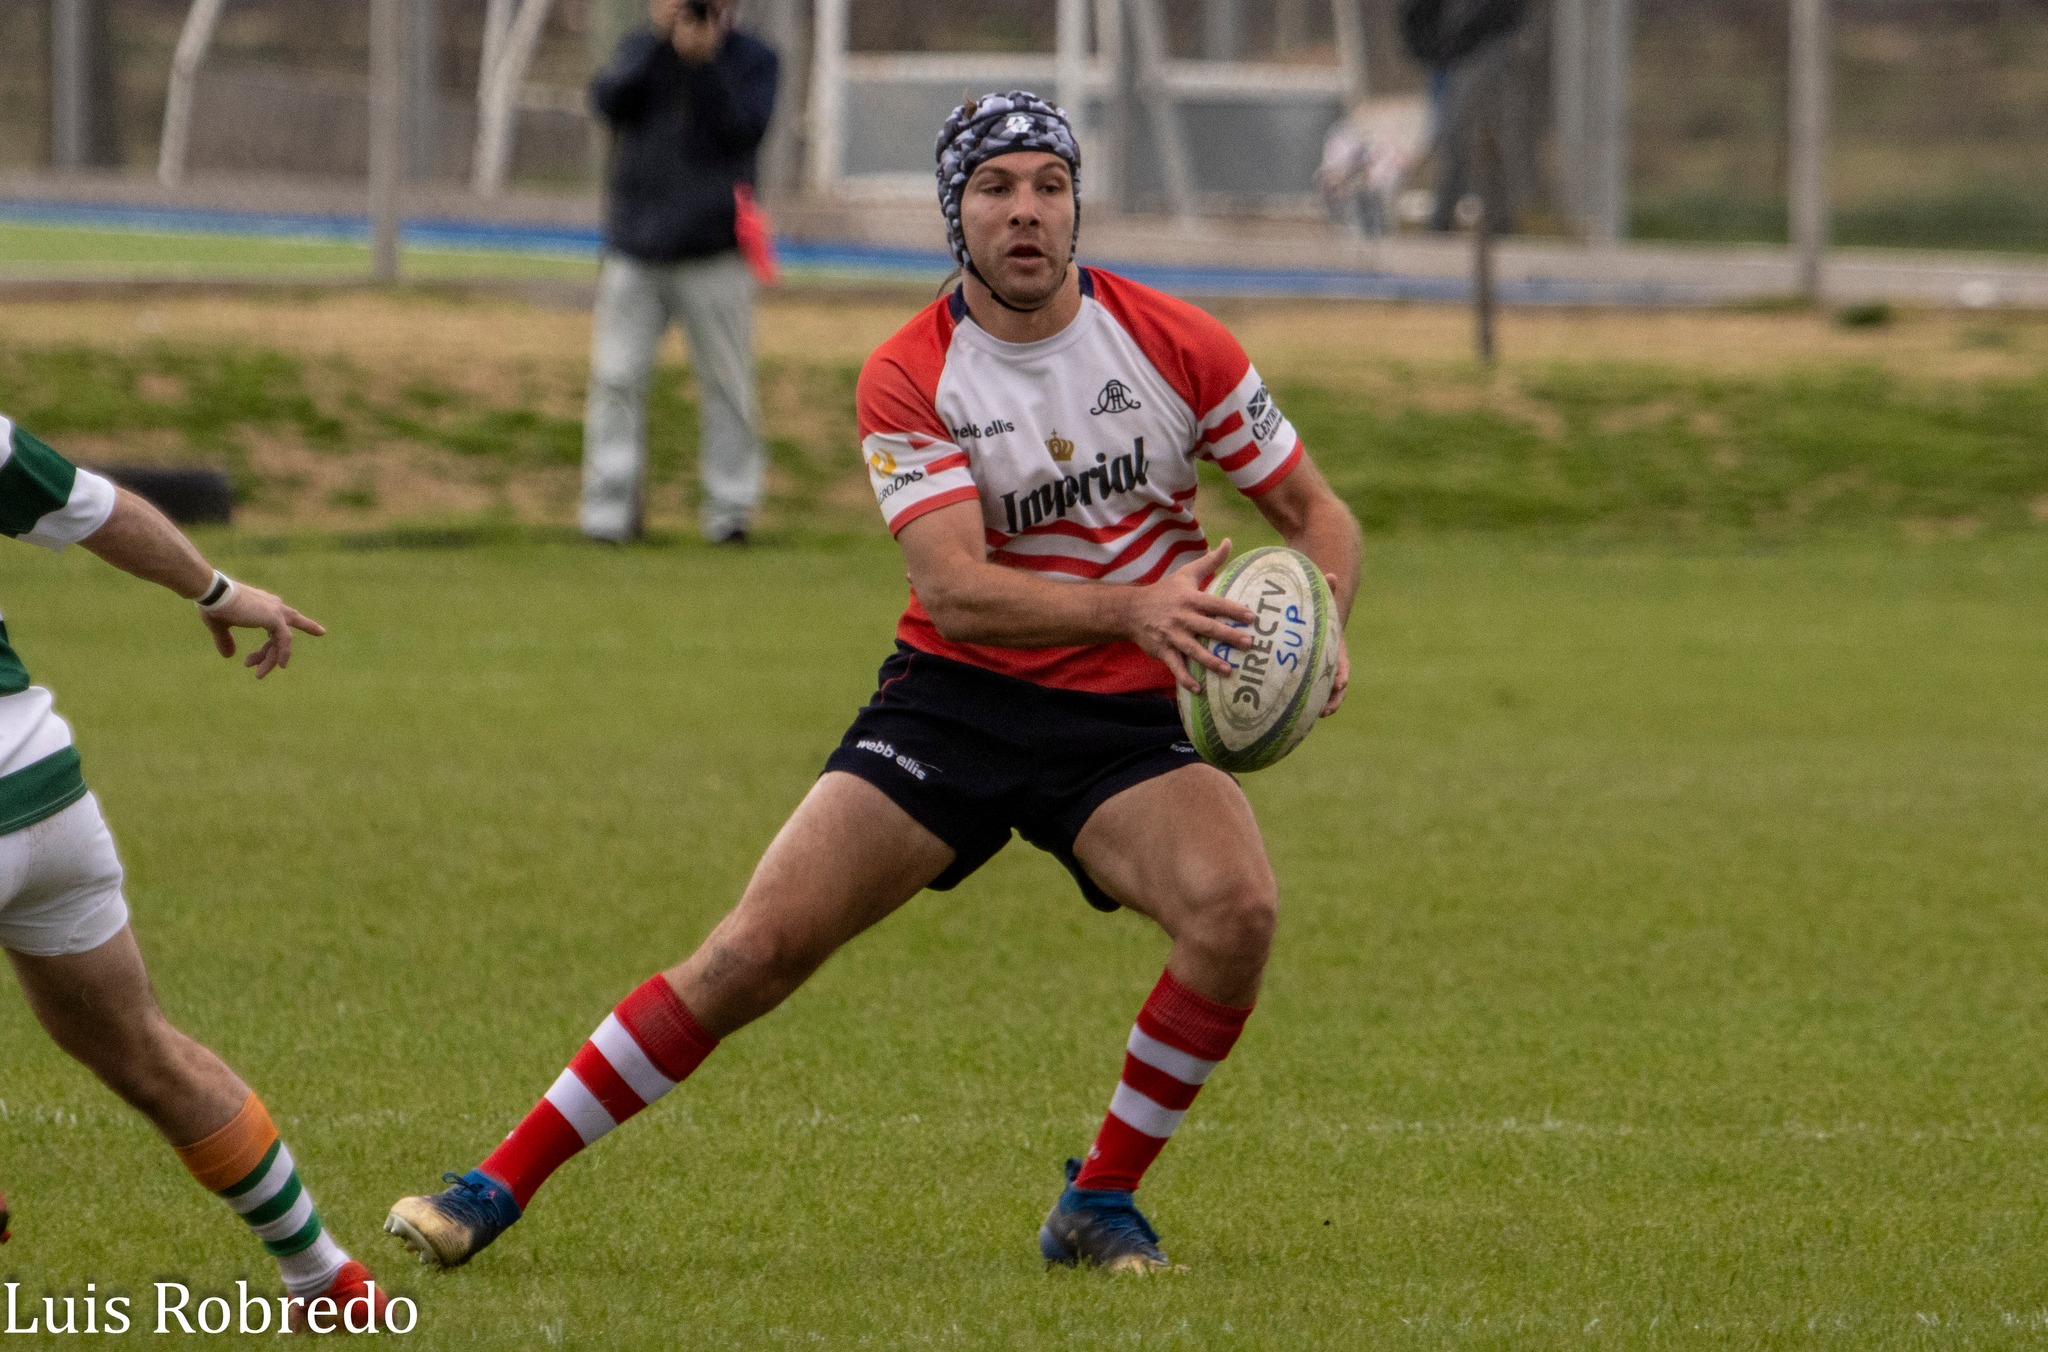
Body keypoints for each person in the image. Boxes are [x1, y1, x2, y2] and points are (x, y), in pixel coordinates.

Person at [387, 91, 1361, 1276]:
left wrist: (1319, 629)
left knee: (1236, 912)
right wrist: (1133, 604)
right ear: (954, 214)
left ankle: (1097, 1200)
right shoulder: (909, 373)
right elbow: (954, 589)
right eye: (995, 189)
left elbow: (1316, 516)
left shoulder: (1176, 342)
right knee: (754, 951)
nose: (1025, 213)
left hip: (1123, 720)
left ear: (1073, 206)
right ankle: (494, 1183)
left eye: (1047, 187)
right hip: (953, 700)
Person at [0, 414, 388, 1326]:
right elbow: (101, 511)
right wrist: (217, 589)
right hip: (42, 788)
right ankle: (326, 1278)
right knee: (145, 1050)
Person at [582, 0, 779, 545]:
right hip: (635, 250)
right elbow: (607, 101)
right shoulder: (641, 50)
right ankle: (608, 514)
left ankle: (730, 514)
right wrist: (659, 42)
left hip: (714, 251)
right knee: (615, 382)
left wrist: (707, 64)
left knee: (728, 387)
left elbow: (744, 131)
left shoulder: (754, 59)